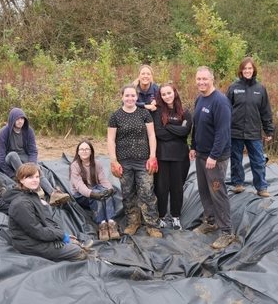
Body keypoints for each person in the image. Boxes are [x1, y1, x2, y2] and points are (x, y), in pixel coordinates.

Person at [107, 84, 162, 238]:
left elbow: (151, 135)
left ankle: (152, 225)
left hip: (143, 160)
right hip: (124, 161)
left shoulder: (144, 113)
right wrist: (113, 160)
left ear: (137, 97)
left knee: (147, 192)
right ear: (122, 97)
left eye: (133, 96)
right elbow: (111, 139)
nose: (130, 98)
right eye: (127, 96)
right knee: (127, 192)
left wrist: (152, 156)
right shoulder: (115, 116)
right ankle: (133, 222)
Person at [189, 66, 235, 249]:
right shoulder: (200, 99)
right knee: (203, 190)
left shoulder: (220, 102)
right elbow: (197, 125)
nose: (201, 82)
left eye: (204, 79)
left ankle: (227, 231)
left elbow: (223, 132)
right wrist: (193, 147)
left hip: (215, 157)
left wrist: (214, 156)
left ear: (212, 79)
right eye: (198, 79)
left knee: (217, 192)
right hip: (201, 154)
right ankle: (210, 221)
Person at [3, 163, 88, 262]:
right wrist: (60, 236)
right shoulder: (21, 203)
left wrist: (59, 234)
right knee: (79, 252)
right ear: (21, 179)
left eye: (37, 177)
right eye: (30, 177)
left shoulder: (31, 195)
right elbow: (36, 231)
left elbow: (44, 221)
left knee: (75, 242)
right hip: (29, 244)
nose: (35, 180)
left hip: (38, 237)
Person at [0, 107, 69, 206]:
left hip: (23, 156)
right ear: (12, 119)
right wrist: (11, 175)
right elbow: (1, 157)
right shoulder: (4, 133)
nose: (20, 121)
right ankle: (28, 183)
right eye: (17, 119)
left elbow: (33, 150)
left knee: (36, 169)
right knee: (13, 155)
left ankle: (52, 193)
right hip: (10, 158)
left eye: (22, 119)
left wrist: (32, 166)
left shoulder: (28, 130)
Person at [226, 57, 274, 198]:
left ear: (254, 70)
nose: (247, 71)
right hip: (235, 131)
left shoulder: (260, 89)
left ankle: (261, 187)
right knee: (236, 158)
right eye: (245, 68)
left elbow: (266, 111)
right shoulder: (234, 87)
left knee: (258, 160)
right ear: (241, 70)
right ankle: (237, 184)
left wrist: (268, 129)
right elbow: (225, 108)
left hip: (253, 132)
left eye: (250, 68)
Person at [152, 83, 192, 230]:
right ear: (160, 97)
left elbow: (185, 131)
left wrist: (167, 126)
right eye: (163, 94)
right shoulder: (157, 112)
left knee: (177, 188)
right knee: (161, 187)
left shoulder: (185, 112)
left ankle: (175, 217)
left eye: (169, 93)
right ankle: (161, 217)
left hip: (180, 156)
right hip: (162, 155)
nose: (167, 96)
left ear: (174, 93)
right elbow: (158, 132)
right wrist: (176, 130)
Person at [70, 139, 119, 241]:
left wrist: (109, 189)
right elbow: (79, 186)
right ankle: (102, 226)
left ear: (91, 151)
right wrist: (91, 193)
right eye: (81, 149)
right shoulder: (74, 166)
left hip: (95, 188)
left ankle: (111, 223)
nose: (84, 151)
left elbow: (103, 179)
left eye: (87, 149)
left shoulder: (97, 163)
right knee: (97, 194)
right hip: (81, 194)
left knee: (105, 193)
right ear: (78, 152)